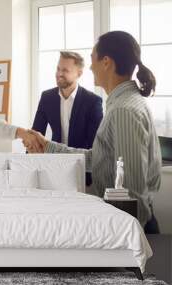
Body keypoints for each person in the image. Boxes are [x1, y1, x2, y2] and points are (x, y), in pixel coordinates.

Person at [27, 31, 162, 233]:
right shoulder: (123, 103)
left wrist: (125, 243)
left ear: (106, 62)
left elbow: (131, 192)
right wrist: (47, 146)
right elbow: (98, 158)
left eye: (92, 60)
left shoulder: (123, 110)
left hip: (131, 230)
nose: (91, 67)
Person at [32, 51, 103, 185]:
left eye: (65, 70)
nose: (59, 73)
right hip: (53, 169)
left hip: (83, 172)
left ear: (79, 73)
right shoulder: (47, 97)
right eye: (58, 68)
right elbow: (36, 133)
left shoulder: (93, 102)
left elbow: (96, 146)